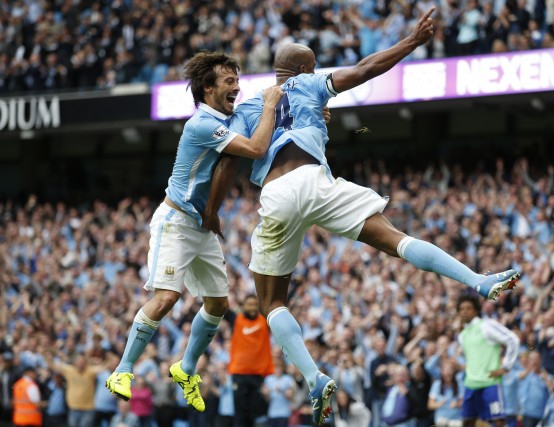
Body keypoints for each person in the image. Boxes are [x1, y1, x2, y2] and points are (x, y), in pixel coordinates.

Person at [212, 5, 520, 425]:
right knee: (395, 239)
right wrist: (412, 41)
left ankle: (314, 377)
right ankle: (478, 280)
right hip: (316, 180)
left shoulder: (249, 108)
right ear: (304, 67)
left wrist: (210, 211)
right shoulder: (310, 82)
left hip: (277, 193)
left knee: (271, 302)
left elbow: (228, 164)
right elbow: (364, 69)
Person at [104, 51, 284, 413]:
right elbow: (256, 147)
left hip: (202, 226)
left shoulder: (229, 116)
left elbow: (276, 110)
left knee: (218, 303)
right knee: (167, 297)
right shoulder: (201, 124)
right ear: (208, 88)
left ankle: (186, 369)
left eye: (238, 80)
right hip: (175, 222)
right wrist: (268, 106)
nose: (237, 86)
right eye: (229, 81)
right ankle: (122, 370)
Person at [457, 295, 520, 427]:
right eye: (462, 309)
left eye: (468, 308)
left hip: (490, 383)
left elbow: (513, 340)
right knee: (467, 421)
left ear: (476, 310)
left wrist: (506, 367)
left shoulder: (486, 326)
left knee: (498, 421)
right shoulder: (462, 336)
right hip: (471, 384)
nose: (464, 311)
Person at [225, 295, 274, 427]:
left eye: (255, 304)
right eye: (249, 304)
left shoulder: (264, 321)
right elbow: (221, 307)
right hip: (239, 374)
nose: (252, 307)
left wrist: (294, 287)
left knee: (254, 413)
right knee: (240, 414)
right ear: (243, 306)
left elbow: (279, 307)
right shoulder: (236, 319)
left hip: (257, 375)